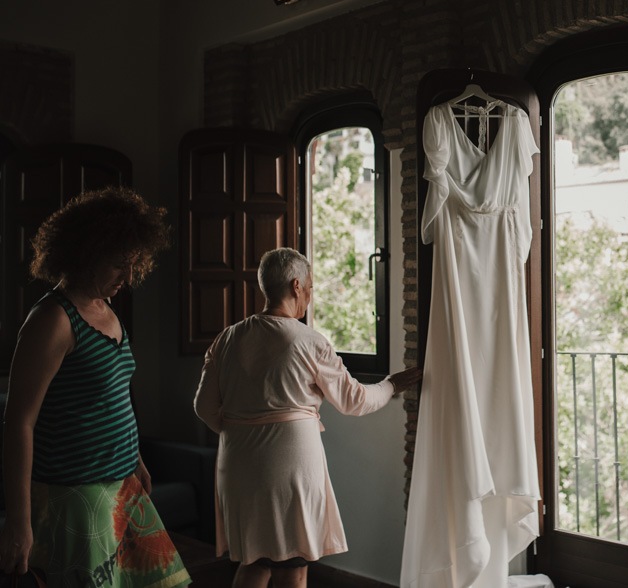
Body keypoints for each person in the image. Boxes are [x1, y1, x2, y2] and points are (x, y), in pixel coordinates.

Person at [193, 247, 421, 588]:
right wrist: (390, 385)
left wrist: (243, 429)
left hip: (237, 462)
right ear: (296, 285)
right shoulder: (308, 340)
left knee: (253, 561)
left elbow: (203, 407)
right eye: (311, 287)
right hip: (288, 465)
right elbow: (353, 400)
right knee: (291, 567)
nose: (310, 296)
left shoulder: (227, 338)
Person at [0, 187, 190, 587]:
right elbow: (19, 422)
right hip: (76, 496)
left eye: (135, 264)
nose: (130, 277)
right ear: (86, 253)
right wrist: (18, 524)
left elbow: (113, 396)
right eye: (120, 265)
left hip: (123, 486)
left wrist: (135, 460)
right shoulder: (52, 320)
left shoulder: (107, 310)